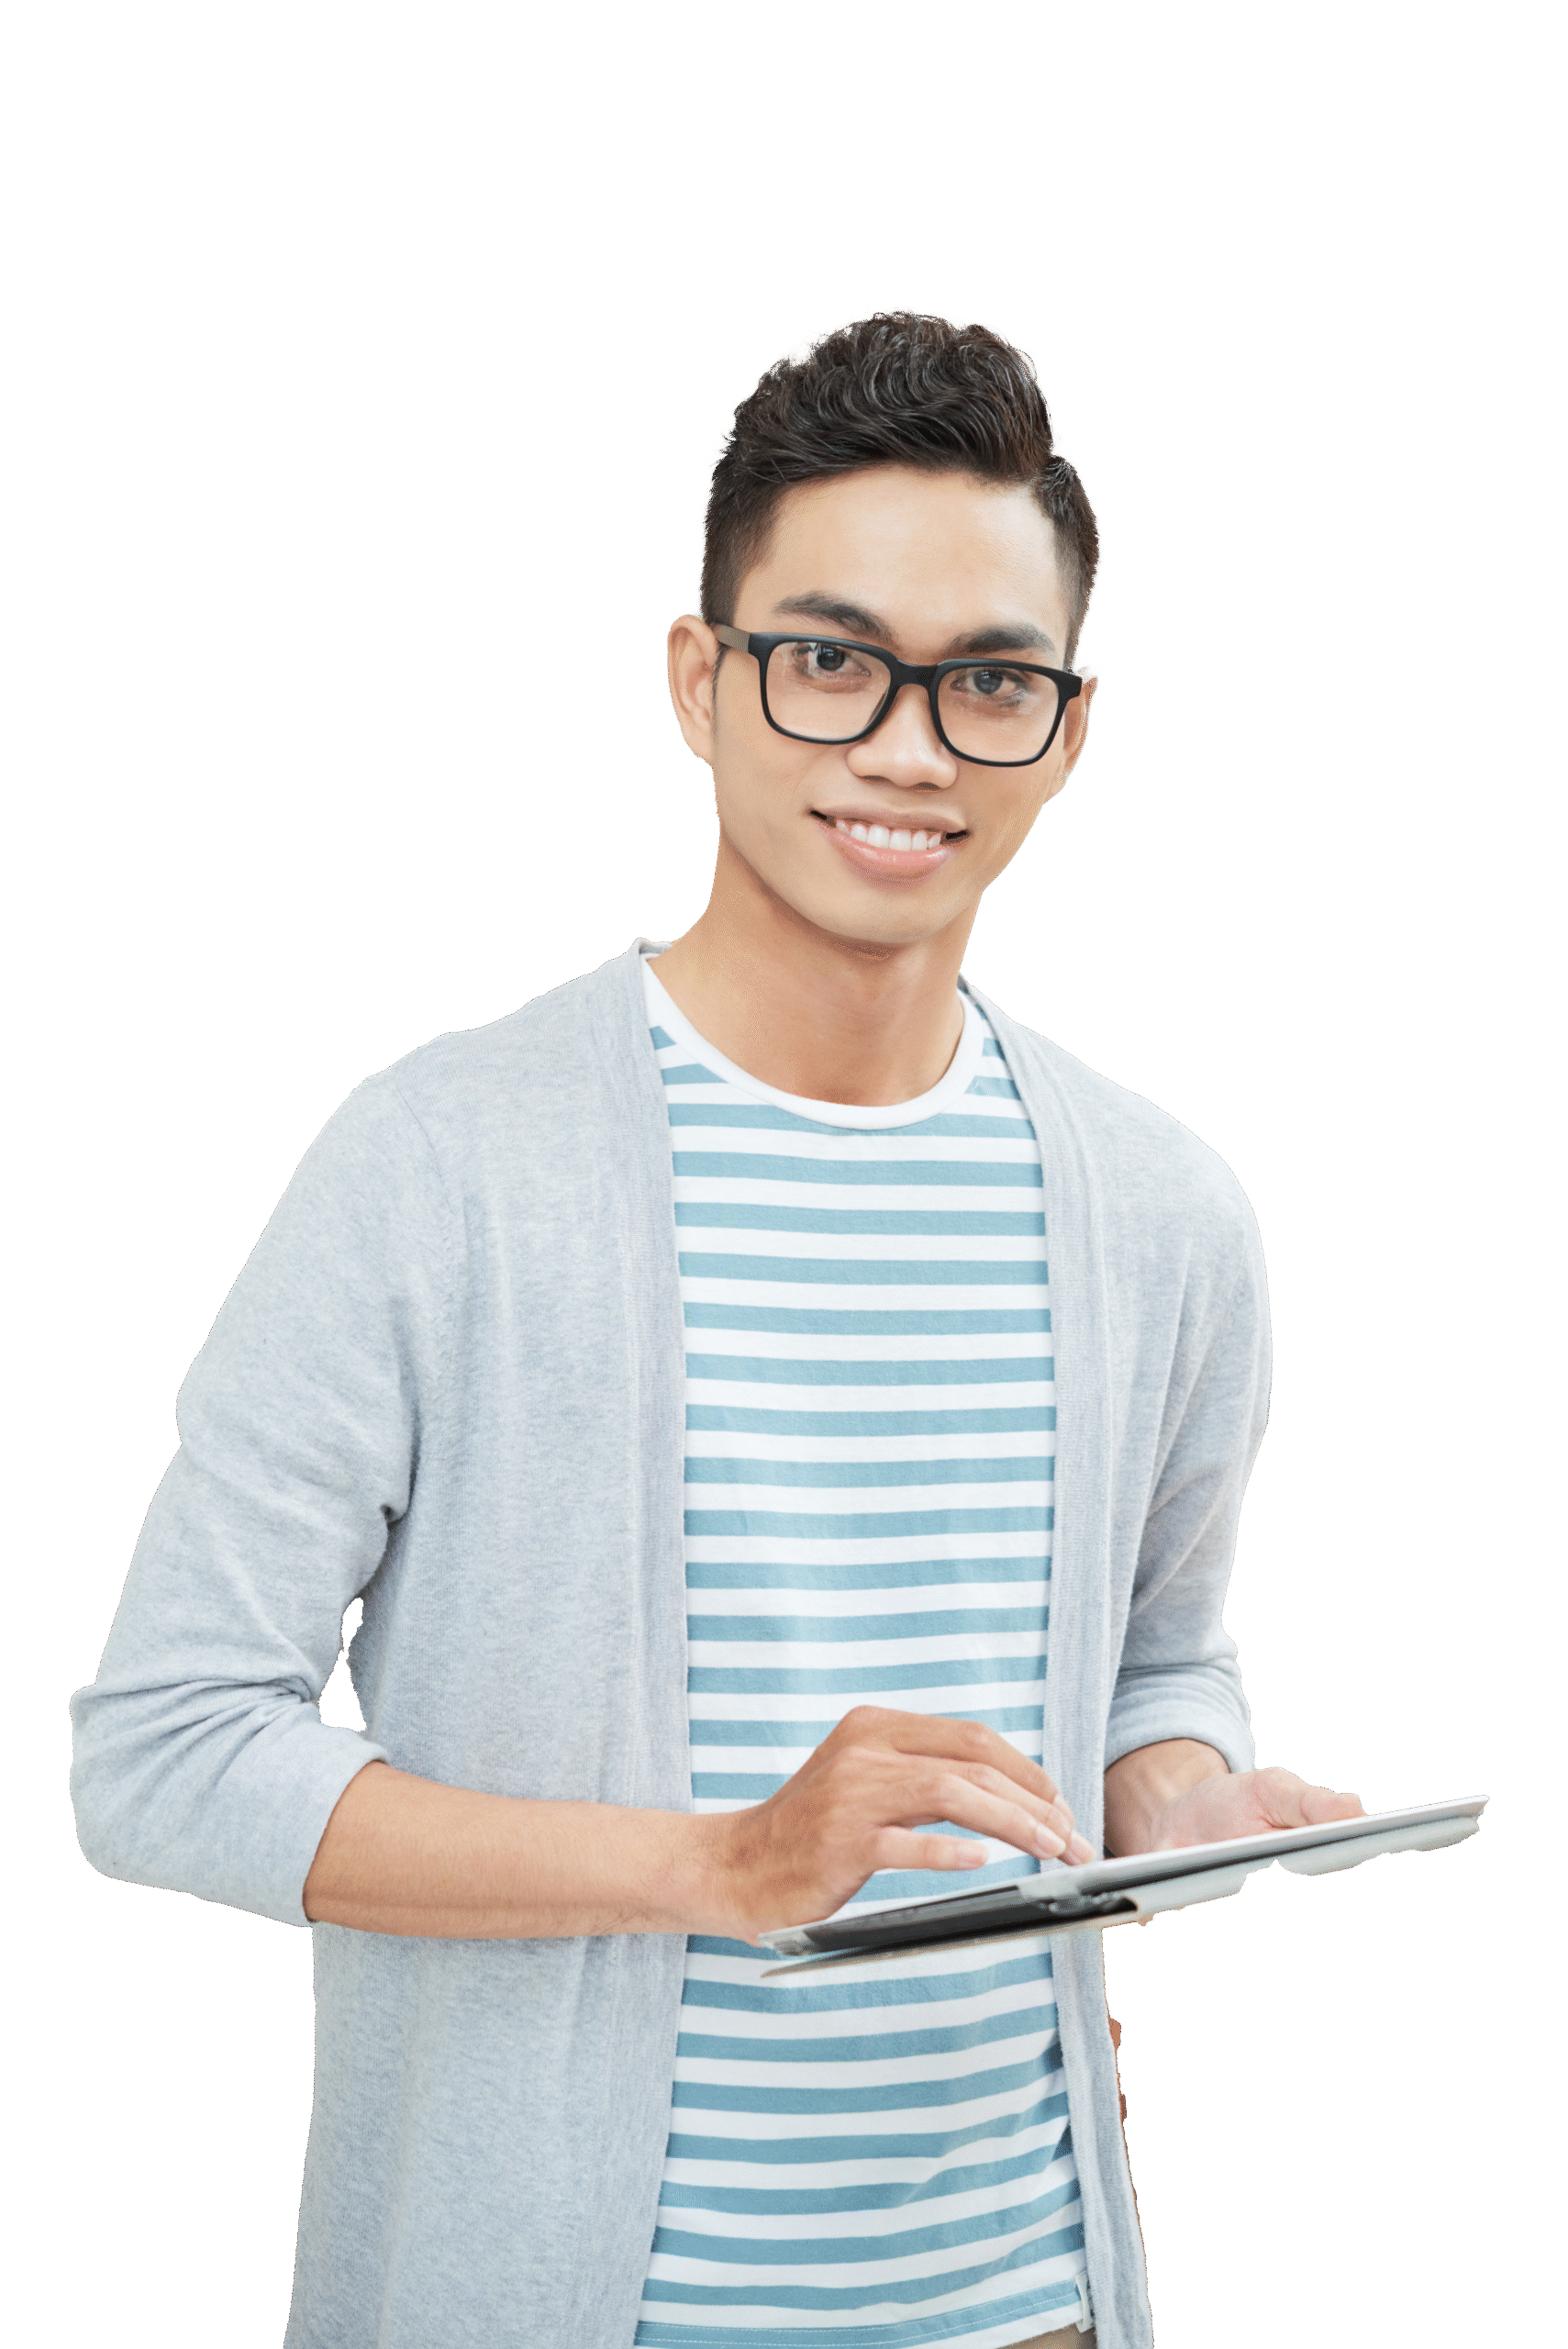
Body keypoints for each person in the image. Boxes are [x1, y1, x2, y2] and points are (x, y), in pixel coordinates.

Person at [71, 312, 1362, 2349]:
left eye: (989, 680)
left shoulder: (1163, 1214)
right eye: (830, 659)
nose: (909, 746)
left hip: (1028, 2302)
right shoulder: (440, 1167)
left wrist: (1175, 1800)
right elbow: (164, 1754)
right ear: (701, 678)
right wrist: (722, 1862)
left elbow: (1154, 1656)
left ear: (1066, 726)